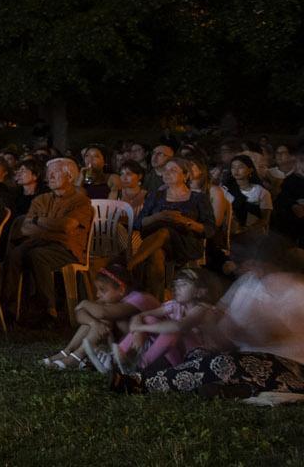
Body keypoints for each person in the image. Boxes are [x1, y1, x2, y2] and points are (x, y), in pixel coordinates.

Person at [122, 234, 304, 399]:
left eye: (249, 262)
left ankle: (139, 383)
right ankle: (226, 389)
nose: (240, 267)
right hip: (241, 354)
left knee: (222, 363)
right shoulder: (248, 282)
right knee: (198, 353)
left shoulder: (294, 290)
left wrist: (239, 330)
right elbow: (222, 322)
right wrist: (212, 322)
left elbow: (272, 334)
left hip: (288, 366)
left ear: (265, 262)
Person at [6, 158, 93, 326]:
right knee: (15, 253)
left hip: (66, 247)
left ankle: (48, 310)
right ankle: (9, 309)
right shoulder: (41, 199)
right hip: (39, 242)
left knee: (37, 255)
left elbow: (67, 226)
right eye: (49, 172)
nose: (50, 176)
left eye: (56, 172)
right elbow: (25, 228)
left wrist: (38, 221)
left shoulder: (80, 200)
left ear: (69, 176)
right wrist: (51, 224)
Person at [41, 266, 152, 371]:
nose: (98, 294)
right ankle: (66, 352)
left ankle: (76, 357)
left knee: (103, 317)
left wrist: (84, 303)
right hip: (118, 347)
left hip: (142, 350)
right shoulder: (114, 298)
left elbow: (101, 313)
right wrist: (93, 323)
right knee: (96, 319)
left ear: (121, 289)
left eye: (102, 290)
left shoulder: (138, 299)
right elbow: (79, 313)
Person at [132, 158, 213, 296]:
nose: (167, 173)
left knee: (165, 232)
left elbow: (210, 229)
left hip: (186, 242)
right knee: (157, 254)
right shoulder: (155, 196)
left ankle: (132, 264)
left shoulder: (198, 198)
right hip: (156, 242)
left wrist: (186, 222)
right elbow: (138, 223)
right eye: (165, 170)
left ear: (186, 175)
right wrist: (158, 217)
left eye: (173, 170)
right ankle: (156, 301)